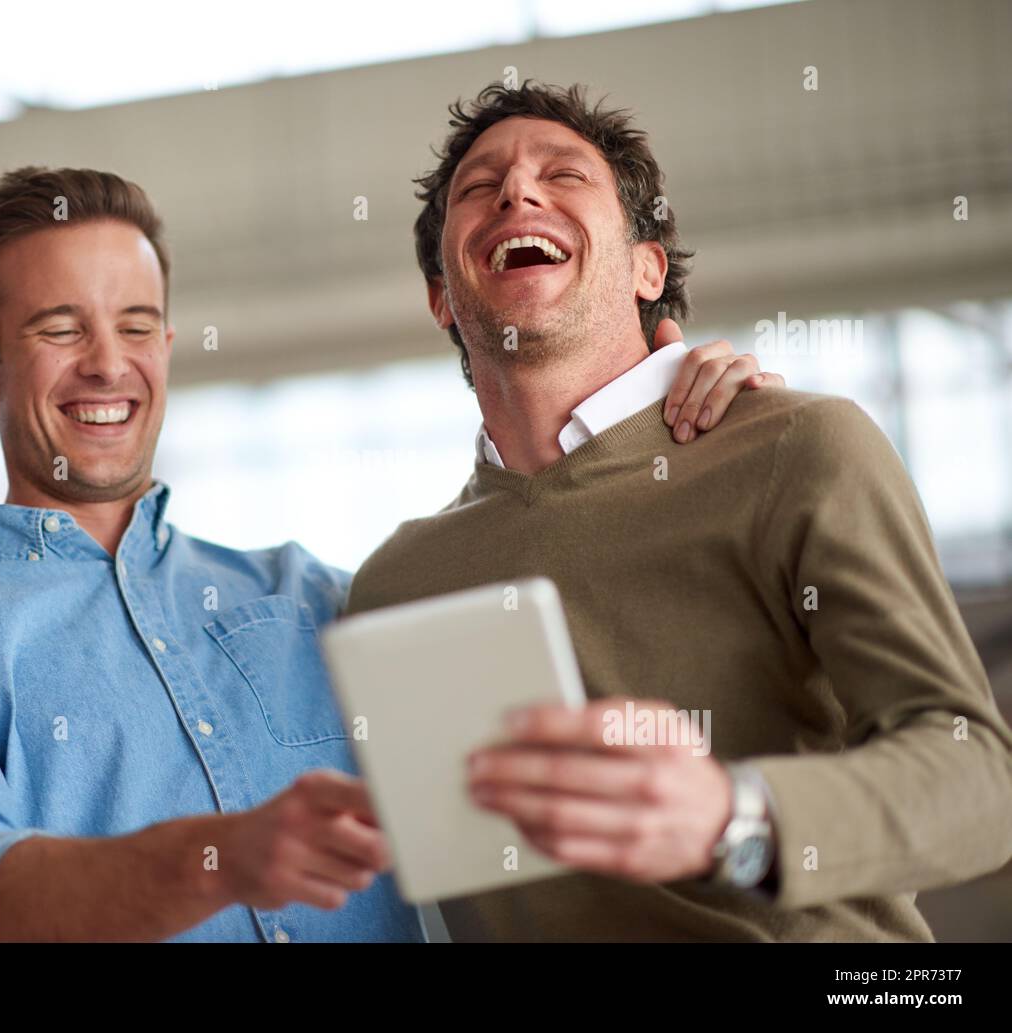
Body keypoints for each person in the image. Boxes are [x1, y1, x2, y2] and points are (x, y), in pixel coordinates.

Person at [0, 164, 777, 943]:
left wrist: (670, 431)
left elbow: (561, 684)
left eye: (135, 325)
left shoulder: (315, 597)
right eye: (59, 327)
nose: (106, 362)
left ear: (167, 344)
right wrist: (218, 857)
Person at [345, 81, 1012, 941]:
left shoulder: (799, 447)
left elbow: (981, 782)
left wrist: (732, 817)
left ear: (644, 267)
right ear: (442, 294)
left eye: (563, 174)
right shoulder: (393, 587)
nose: (517, 191)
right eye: (481, 187)